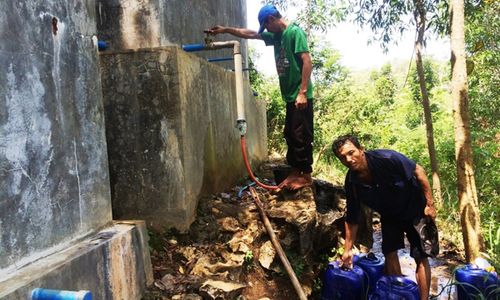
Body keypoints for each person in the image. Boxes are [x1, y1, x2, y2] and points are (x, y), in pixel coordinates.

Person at [208, 4, 314, 190]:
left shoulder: (294, 32)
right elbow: (250, 34)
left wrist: (302, 92)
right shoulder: (277, 35)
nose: (266, 31)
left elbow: (307, 61)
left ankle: (306, 175)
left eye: (266, 26)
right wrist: (225, 29)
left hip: (300, 96)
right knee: (290, 133)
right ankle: (296, 171)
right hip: (291, 97)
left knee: (301, 135)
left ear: (272, 20)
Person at [331, 134, 438, 300]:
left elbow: (419, 171)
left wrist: (430, 205)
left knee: (421, 256)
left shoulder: (387, 158)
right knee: (389, 252)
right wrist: (347, 250)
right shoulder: (352, 182)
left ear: (361, 150)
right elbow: (353, 216)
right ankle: (398, 292)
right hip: (390, 214)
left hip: (415, 209)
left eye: (351, 152)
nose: (349, 159)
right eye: (343, 157)